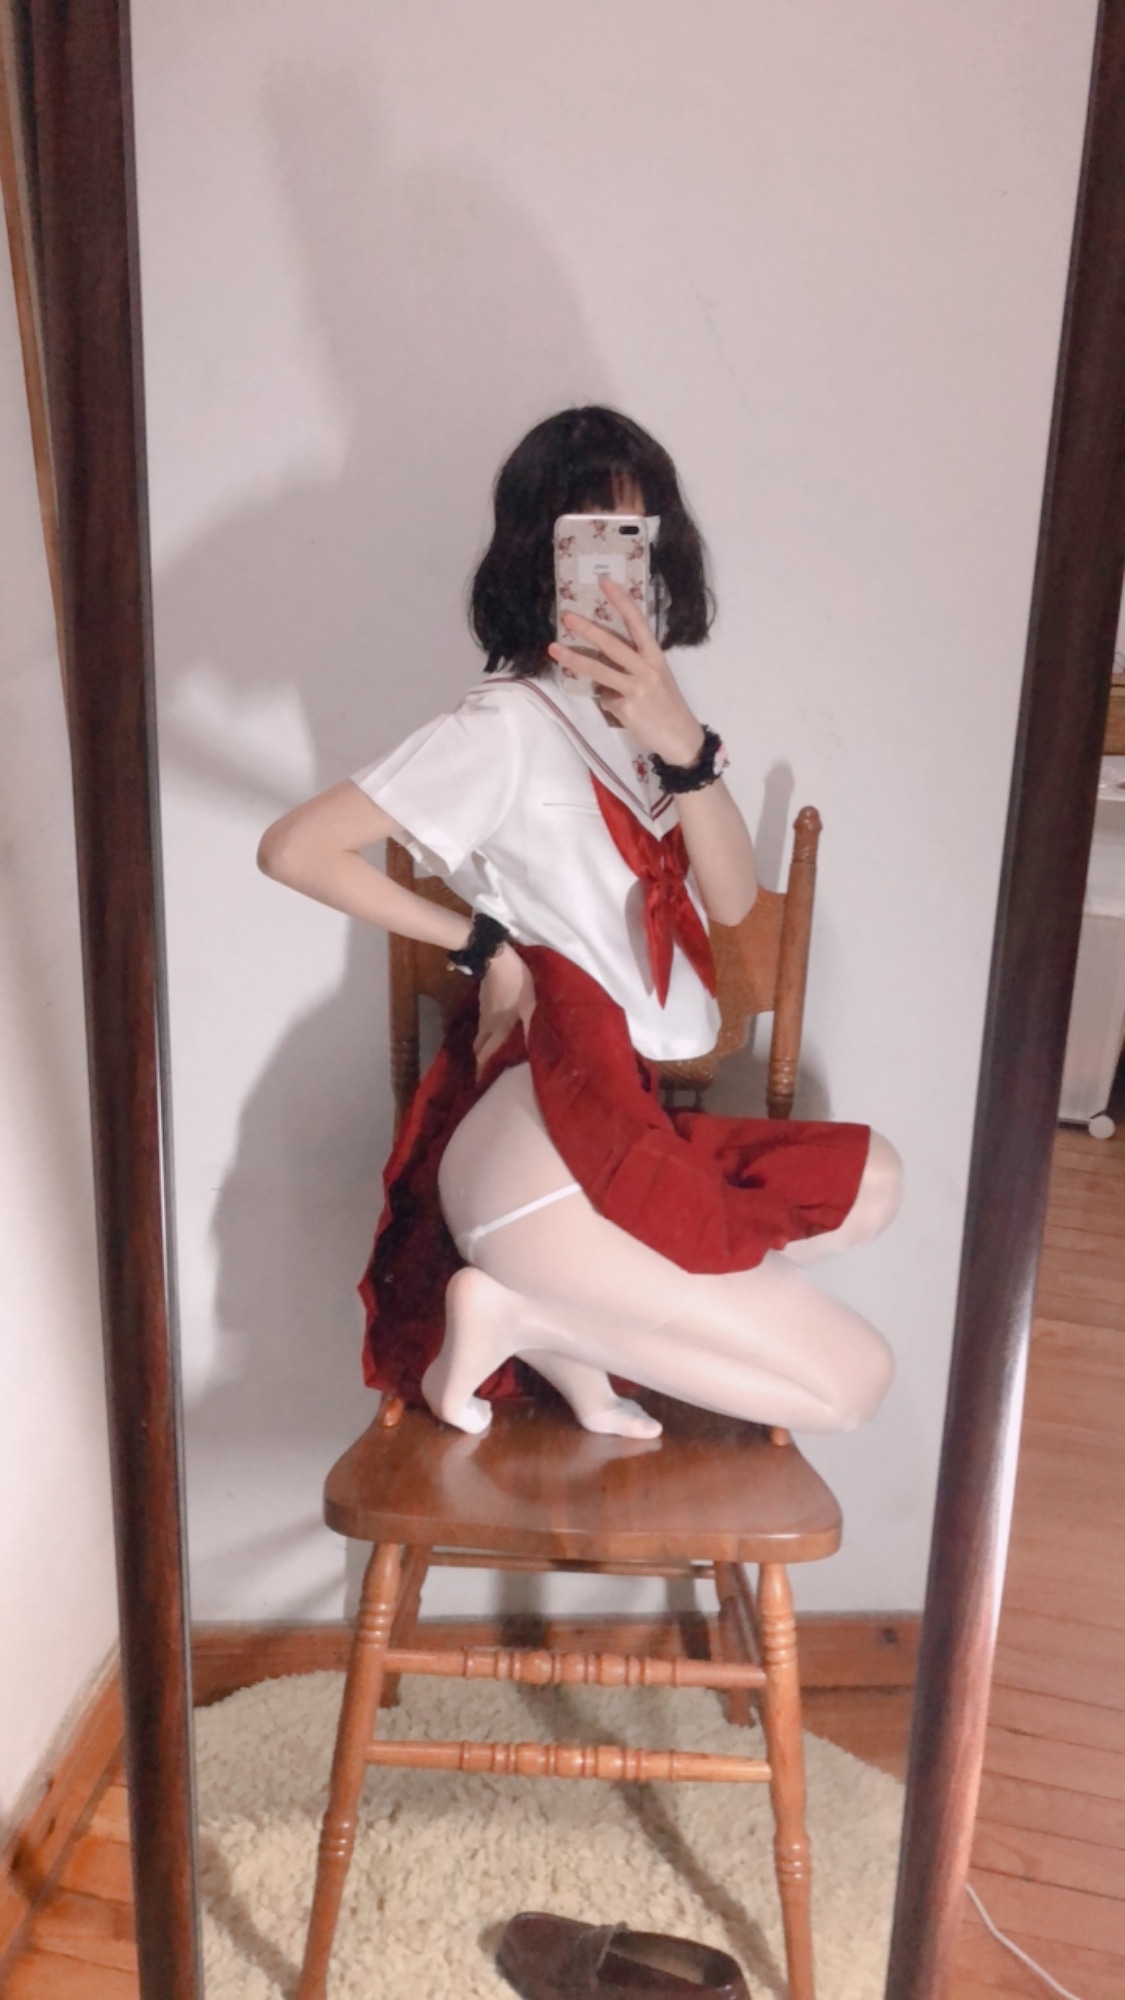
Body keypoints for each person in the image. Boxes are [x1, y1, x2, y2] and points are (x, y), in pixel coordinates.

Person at [258, 406, 901, 1442]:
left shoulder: (644, 731)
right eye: (585, 540)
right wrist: (483, 945)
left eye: (633, 541)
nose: (614, 576)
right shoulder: (504, 725)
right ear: (535, 557)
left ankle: (551, 1317)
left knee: (875, 1184)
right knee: (853, 1385)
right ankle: (530, 1313)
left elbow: (731, 902)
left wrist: (682, 740)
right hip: (538, 1134)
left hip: (623, 1109)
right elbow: (295, 848)